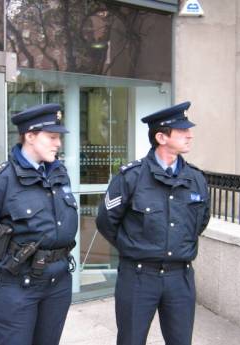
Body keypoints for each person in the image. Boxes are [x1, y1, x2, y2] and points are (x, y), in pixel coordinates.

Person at [95, 101, 210, 345]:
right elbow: (106, 221)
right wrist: (134, 246)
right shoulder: (131, 177)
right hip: (138, 277)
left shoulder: (196, 179)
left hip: (180, 277)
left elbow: (200, 222)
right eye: (182, 130)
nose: (190, 135)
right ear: (161, 137)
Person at [0, 103, 78, 345]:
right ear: (30, 136)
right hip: (18, 285)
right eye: (52, 137)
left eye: (58, 137)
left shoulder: (59, 174)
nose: (58, 143)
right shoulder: (2, 180)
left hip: (57, 282)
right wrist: (5, 271)